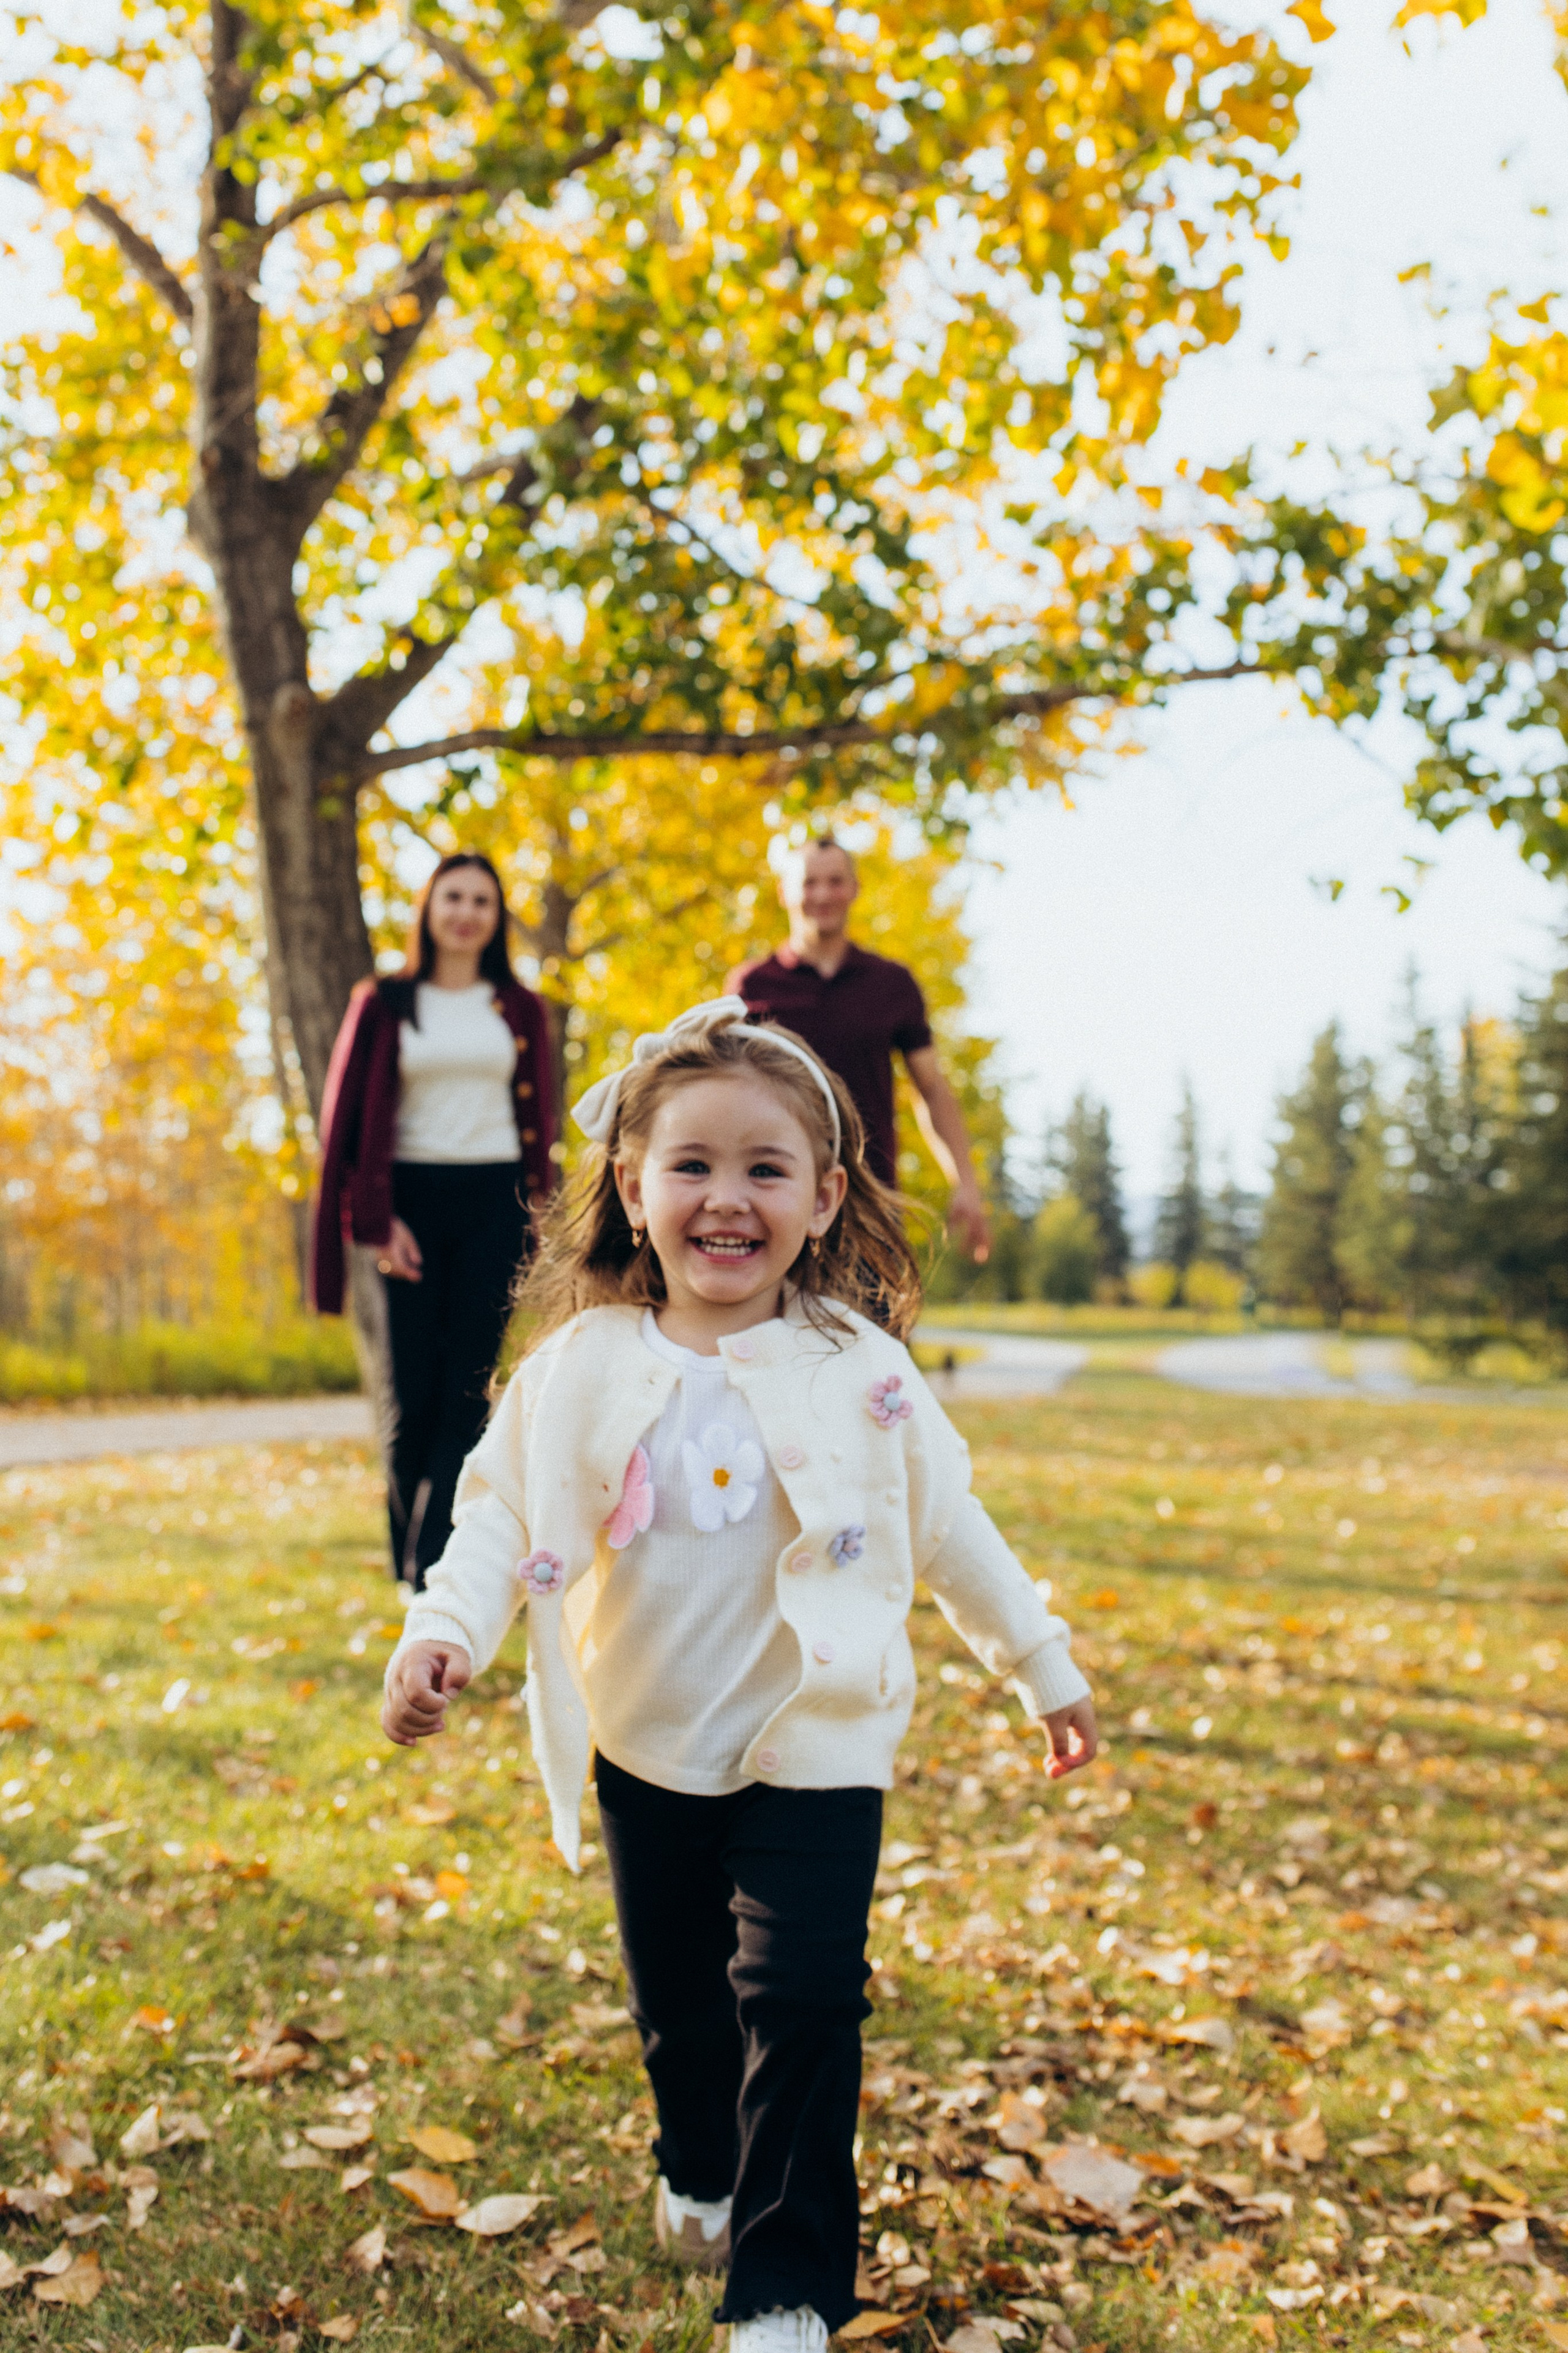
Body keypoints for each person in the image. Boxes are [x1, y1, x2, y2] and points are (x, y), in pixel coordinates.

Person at [381, 995, 1097, 2353]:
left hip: (816, 1748)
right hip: (646, 1746)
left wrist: (1039, 1664)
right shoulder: (579, 1368)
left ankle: (783, 2293)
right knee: (684, 2016)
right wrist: (445, 1634)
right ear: (632, 1187)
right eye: (692, 1164)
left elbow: (948, 1525)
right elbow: (497, 1516)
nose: (727, 1197)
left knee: (806, 2002)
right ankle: (699, 2168)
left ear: (822, 1199)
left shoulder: (864, 1371)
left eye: (765, 1168)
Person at [310, 852, 556, 1587]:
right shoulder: (384, 1001)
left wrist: (540, 1213)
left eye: (482, 900)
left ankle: (433, 1565)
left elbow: (539, 1117)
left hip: (496, 1201)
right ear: (429, 908)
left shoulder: (519, 1007)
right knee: (412, 1397)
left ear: (497, 917)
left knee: (467, 1391)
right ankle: (406, 1559)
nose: (466, 913)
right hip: (410, 1205)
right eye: (454, 897)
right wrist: (377, 1222)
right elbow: (346, 1122)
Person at [728, 838, 992, 1261]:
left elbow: (931, 1089)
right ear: (784, 892)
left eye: (835, 881)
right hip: (774, 1203)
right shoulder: (751, 986)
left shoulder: (892, 984)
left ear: (854, 888)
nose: (822, 894)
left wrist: (965, 1181)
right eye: (809, 882)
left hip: (871, 1204)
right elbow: (728, 1096)